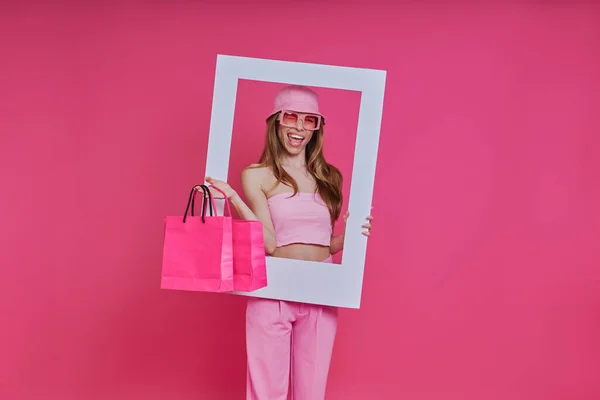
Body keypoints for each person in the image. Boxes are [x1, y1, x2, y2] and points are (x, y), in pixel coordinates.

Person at [203, 85, 373, 400]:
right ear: (276, 121)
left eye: (310, 120)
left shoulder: (329, 177)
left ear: (318, 127)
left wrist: (354, 234)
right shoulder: (257, 176)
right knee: (267, 391)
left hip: (322, 285)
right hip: (274, 288)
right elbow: (268, 244)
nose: (299, 127)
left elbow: (327, 243)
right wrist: (235, 199)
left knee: (312, 392)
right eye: (291, 117)